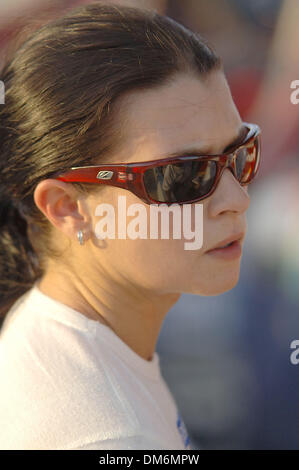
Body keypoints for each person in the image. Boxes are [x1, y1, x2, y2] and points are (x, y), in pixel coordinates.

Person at [0, 2, 261, 450]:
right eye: (183, 175)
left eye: (241, 154)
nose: (236, 199)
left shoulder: (64, 339)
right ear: (67, 208)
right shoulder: (111, 436)